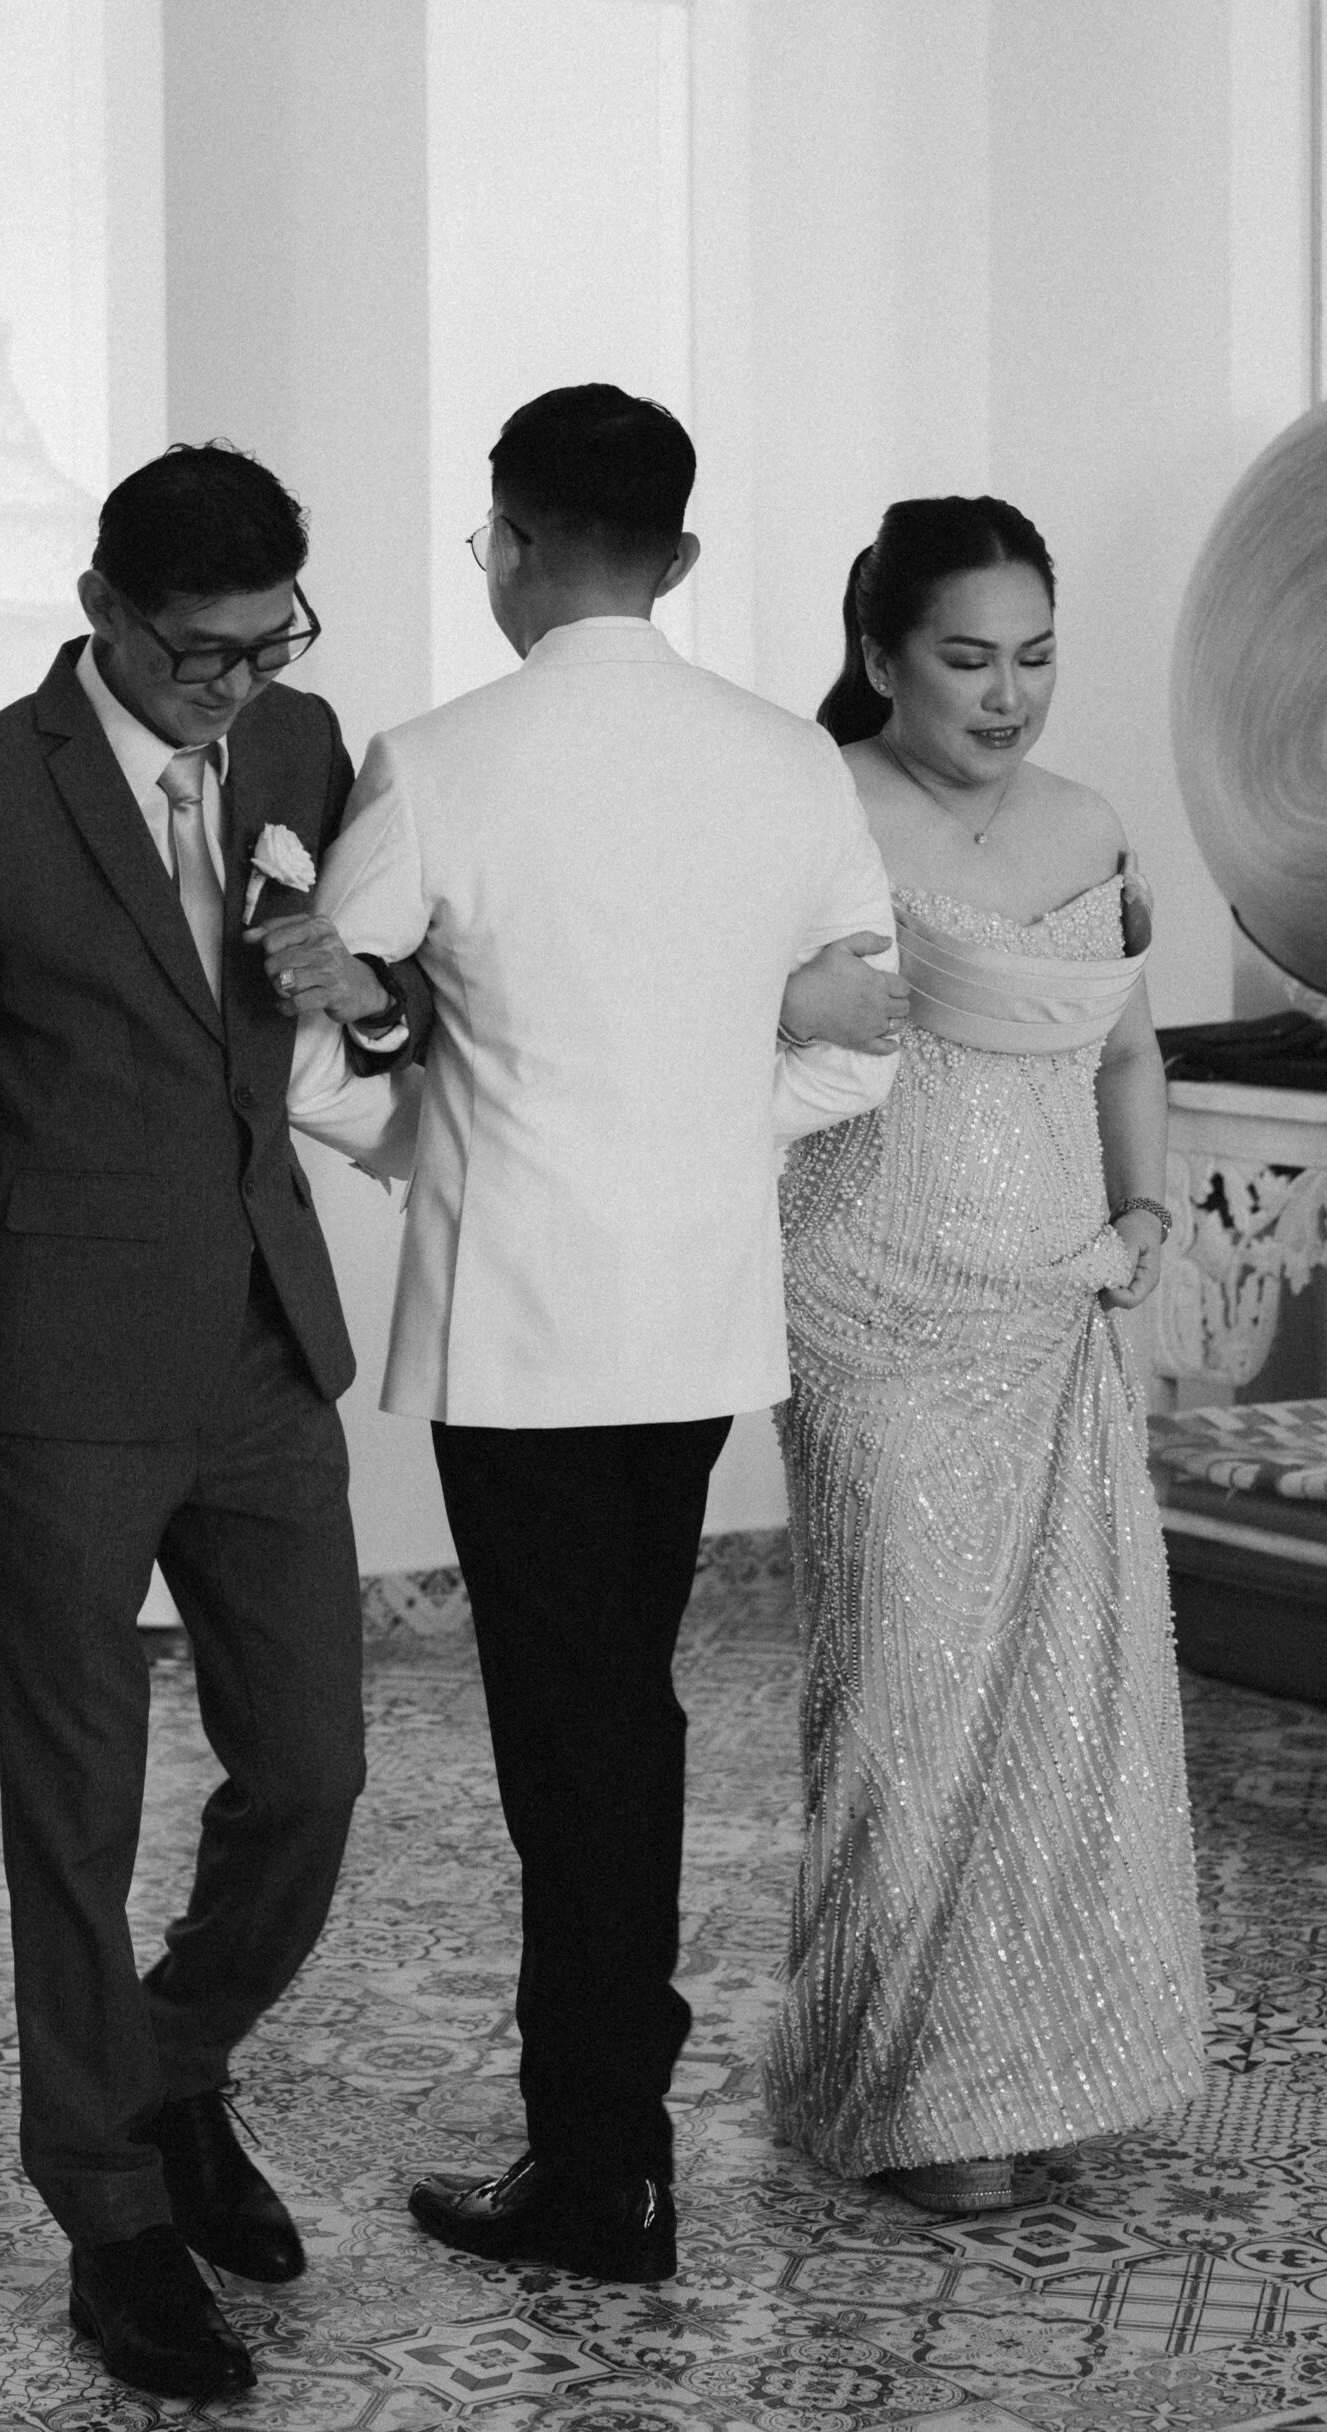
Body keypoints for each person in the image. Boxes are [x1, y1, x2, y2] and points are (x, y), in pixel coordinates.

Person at [309, 386, 903, 2285]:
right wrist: (715, 1134)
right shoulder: (785, 761)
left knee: (570, 1742)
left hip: (519, 1328)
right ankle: (604, 2138)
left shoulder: (434, 760)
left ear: (501, 539)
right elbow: (862, 1038)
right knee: (617, 1713)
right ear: (683, 553)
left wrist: (437, 1143)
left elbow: (314, 1041)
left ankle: (600, 2168)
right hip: (695, 1317)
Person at [0, 442, 419, 2400]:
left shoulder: (302, 743)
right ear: (103, 610)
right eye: (201, 653)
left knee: (315, 1772)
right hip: (56, 1388)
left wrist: (367, 987)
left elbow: (388, 1002)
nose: (236, 686)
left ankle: (169, 2065)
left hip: (264, 1353)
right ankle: (110, 2213)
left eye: (270, 644)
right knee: (72, 1817)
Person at [763, 497, 1208, 2212]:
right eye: (966, 658)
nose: (1006, 693)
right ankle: (904, 2090)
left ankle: (1035, 2065)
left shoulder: (1088, 821)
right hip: (866, 1306)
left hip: (1048, 1305)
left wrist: (1146, 1211)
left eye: (1033, 656)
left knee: (1064, 1706)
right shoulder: (814, 811)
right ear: (882, 658)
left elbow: (1127, 1054)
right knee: (903, 1702)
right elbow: (718, 1028)